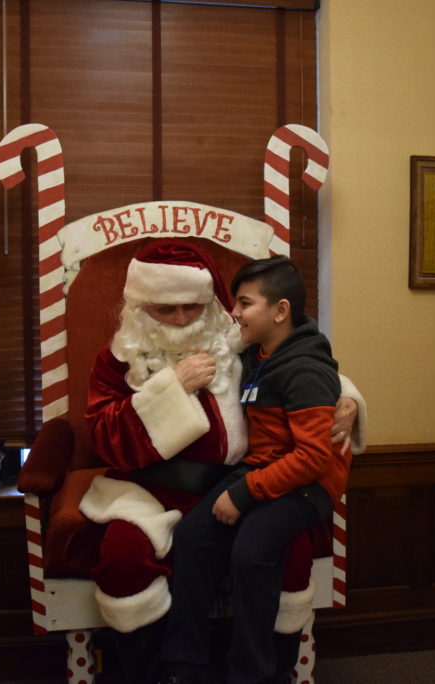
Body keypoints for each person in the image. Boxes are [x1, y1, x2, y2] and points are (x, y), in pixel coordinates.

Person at [79, 240, 364, 681]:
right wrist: (172, 387)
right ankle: (164, 673)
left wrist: (348, 400)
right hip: (149, 491)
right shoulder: (119, 358)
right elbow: (104, 437)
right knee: (123, 557)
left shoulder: (235, 338)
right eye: (166, 309)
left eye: (192, 307)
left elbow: (302, 370)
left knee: (287, 549)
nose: (181, 319)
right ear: (140, 307)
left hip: (238, 480)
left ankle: (269, 671)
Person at [157, 255, 353, 684]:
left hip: (309, 483)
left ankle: (254, 674)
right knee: (191, 536)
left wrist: (243, 493)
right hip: (265, 465)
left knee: (251, 551)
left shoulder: (305, 368)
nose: (235, 313)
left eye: (245, 303)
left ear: (280, 311)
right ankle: (184, 667)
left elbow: (314, 458)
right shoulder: (257, 353)